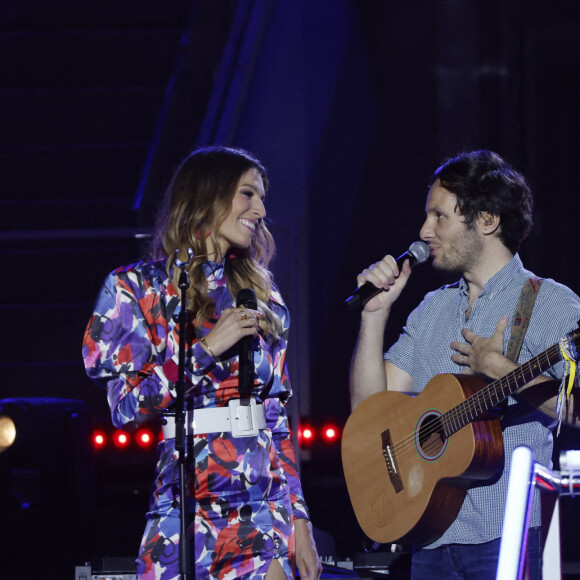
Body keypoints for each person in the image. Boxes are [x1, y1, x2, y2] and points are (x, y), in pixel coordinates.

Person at [83, 146, 321, 579]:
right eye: (248, 194)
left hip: (263, 507)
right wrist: (205, 350)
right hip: (184, 501)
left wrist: (300, 519)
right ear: (207, 197)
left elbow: (277, 419)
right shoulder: (136, 288)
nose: (262, 209)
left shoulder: (262, 295)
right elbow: (125, 409)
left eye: (263, 198)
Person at [349, 149, 580, 580]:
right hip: (430, 534)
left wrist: (503, 371)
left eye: (439, 217)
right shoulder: (432, 308)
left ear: (487, 220)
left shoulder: (551, 304)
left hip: (508, 537)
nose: (423, 231)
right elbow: (368, 409)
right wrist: (374, 315)